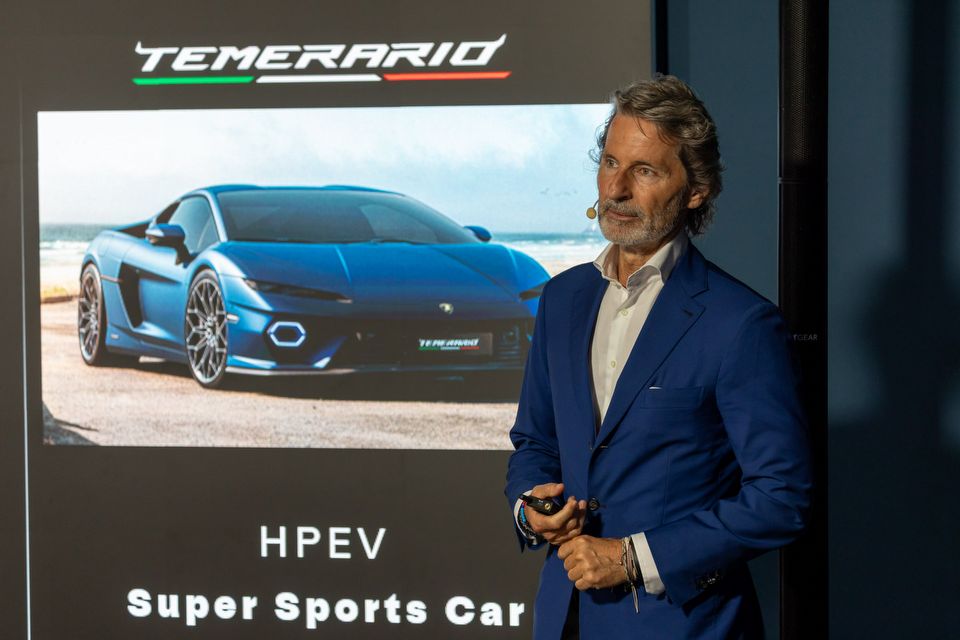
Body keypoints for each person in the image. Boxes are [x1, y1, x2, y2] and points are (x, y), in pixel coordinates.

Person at [505, 75, 813, 639]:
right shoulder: (563, 298)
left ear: (696, 191)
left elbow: (781, 498)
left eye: (645, 171)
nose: (616, 188)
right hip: (564, 618)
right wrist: (531, 506)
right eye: (610, 162)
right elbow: (536, 441)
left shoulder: (741, 323)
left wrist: (633, 558)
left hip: (684, 626)